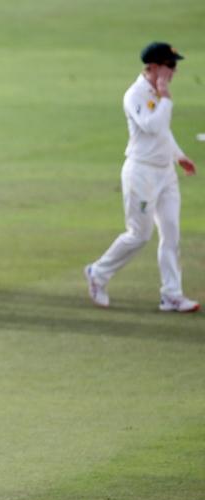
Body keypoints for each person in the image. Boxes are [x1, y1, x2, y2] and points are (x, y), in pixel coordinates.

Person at [84, 42, 199, 312]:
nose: (175, 71)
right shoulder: (135, 94)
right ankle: (97, 273)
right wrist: (166, 98)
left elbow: (163, 132)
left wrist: (178, 155)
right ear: (155, 67)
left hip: (165, 173)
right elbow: (151, 125)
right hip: (141, 172)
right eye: (171, 66)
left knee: (171, 234)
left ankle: (171, 294)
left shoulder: (157, 93)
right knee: (139, 234)